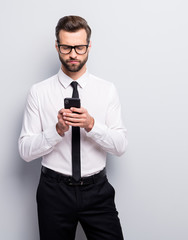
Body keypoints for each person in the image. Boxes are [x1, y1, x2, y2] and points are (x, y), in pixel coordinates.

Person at [18, 15, 128, 240]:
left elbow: (120, 146)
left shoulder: (106, 90)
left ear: (89, 45)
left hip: (97, 190)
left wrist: (92, 125)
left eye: (79, 47)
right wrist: (56, 130)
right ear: (57, 46)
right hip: (54, 191)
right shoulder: (38, 92)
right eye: (67, 47)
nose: (73, 54)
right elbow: (25, 151)